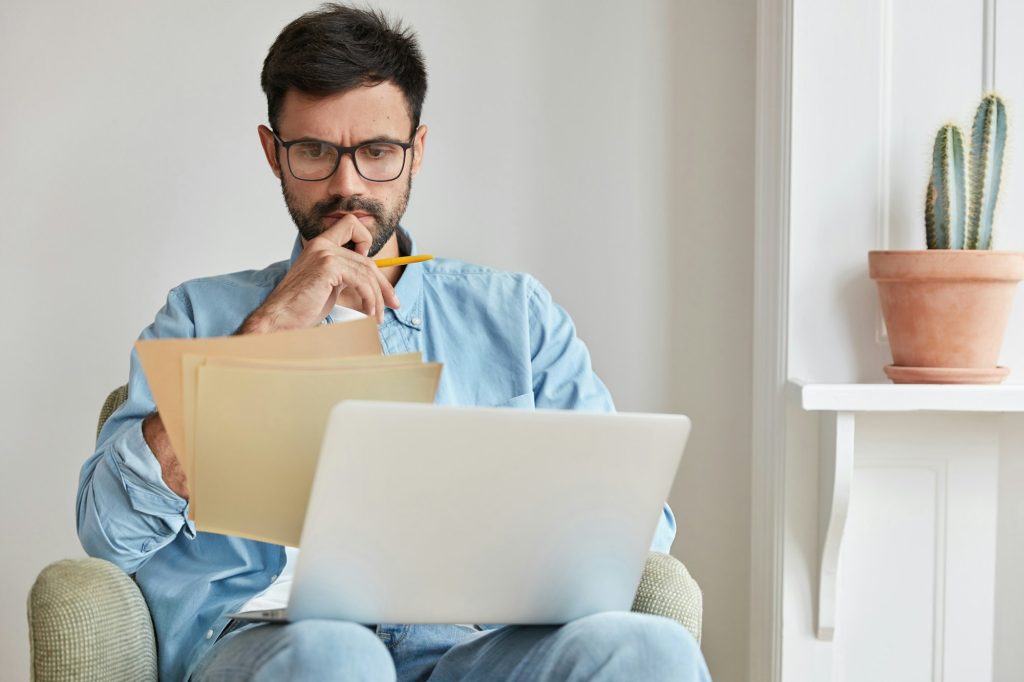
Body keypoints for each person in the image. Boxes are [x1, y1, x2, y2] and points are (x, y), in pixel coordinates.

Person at [76, 5, 711, 681]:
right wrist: (264, 334)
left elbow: (638, 532)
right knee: (336, 653)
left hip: (473, 652)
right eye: (315, 151)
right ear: (273, 153)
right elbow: (109, 533)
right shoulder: (202, 314)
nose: (348, 185)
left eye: (377, 152)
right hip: (273, 646)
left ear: (417, 151)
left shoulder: (516, 317)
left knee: (652, 648)